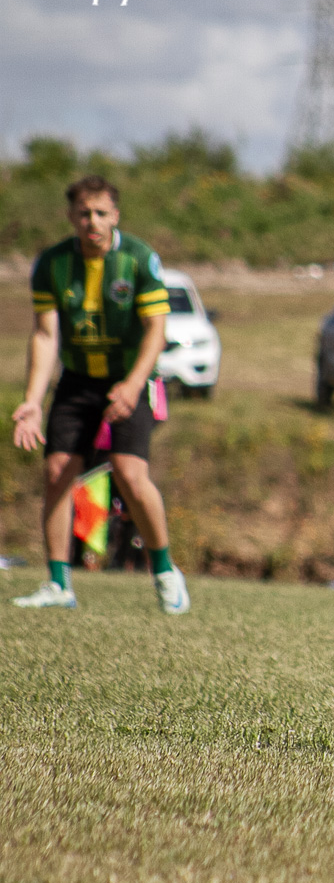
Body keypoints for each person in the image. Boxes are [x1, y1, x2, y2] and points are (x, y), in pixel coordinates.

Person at [11, 176, 188, 613]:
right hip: (77, 380)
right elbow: (45, 335)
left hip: (131, 377)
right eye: (84, 213)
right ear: (71, 216)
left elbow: (156, 330)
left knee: (129, 473)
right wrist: (32, 400)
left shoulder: (138, 258)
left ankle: (165, 571)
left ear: (115, 216)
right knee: (57, 471)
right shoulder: (52, 263)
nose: (92, 221)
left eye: (101, 213)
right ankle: (58, 584)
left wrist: (132, 385)